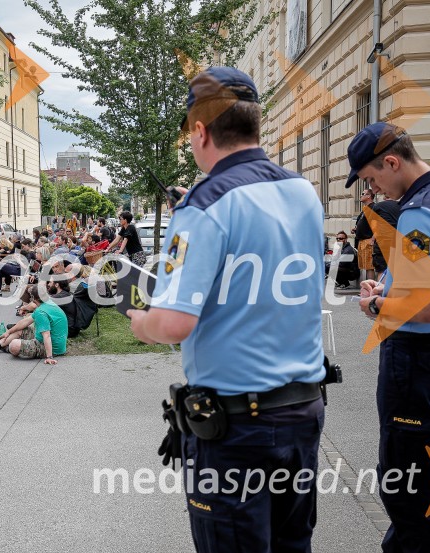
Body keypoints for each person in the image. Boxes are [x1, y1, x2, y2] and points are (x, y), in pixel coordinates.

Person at [127, 67, 326, 552]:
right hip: (301, 411)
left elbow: (173, 324)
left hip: (238, 430)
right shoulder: (303, 191)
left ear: (200, 131)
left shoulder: (203, 204)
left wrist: (139, 321)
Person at [348, 123, 430, 553]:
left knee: (406, 481)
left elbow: (427, 307)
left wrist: (376, 307)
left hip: (417, 355)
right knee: (416, 473)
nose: (375, 187)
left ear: (391, 161)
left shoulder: (419, 211)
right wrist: (388, 286)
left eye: (371, 178)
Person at [0, 284, 68, 364]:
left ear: (33, 298)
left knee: (14, 345)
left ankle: (7, 348)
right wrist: (8, 332)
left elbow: (46, 336)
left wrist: (49, 357)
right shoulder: (48, 303)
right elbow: (25, 321)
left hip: (53, 348)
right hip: (54, 341)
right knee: (19, 329)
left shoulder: (41, 312)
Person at [353, 188, 377, 281]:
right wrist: (356, 229)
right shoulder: (365, 209)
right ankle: (366, 287)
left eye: (363, 193)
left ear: (369, 196)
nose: (360, 195)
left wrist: (373, 239)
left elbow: (378, 225)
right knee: (364, 266)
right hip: (361, 240)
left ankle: (370, 288)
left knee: (369, 266)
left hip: (368, 240)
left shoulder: (373, 208)